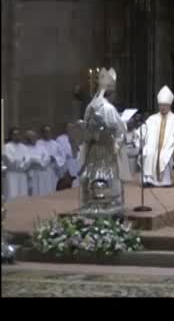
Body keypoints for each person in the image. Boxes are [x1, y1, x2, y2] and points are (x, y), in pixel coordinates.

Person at [78, 68, 128, 217]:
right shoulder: (109, 108)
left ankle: (90, 201)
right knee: (109, 175)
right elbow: (120, 131)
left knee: (92, 174)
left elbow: (86, 132)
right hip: (107, 150)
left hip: (93, 150)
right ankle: (111, 203)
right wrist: (117, 142)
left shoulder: (90, 107)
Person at [139, 86, 174, 187]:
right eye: (160, 105)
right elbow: (143, 129)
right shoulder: (152, 118)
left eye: (164, 105)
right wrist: (138, 133)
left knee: (164, 154)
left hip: (168, 146)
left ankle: (165, 181)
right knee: (149, 152)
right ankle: (148, 179)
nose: (162, 107)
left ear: (169, 105)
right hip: (153, 145)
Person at [37, 125, 66, 195]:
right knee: (41, 189)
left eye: (49, 132)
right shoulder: (38, 143)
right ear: (42, 133)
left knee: (51, 189)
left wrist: (55, 158)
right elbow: (35, 154)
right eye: (45, 132)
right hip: (41, 171)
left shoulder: (55, 144)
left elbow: (62, 156)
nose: (47, 134)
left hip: (52, 171)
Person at [2, 127, 29, 200]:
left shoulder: (24, 147)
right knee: (12, 195)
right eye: (15, 135)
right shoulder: (6, 147)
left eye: (18, 134)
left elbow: (27, 160)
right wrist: (21, 163)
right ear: (11, 136)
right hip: (11, 175)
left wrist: (21, 164)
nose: (17, 136)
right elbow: (10, 161)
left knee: (23, 195)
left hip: (22, 175)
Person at [24, 129, 51, 196]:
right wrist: (32, 163)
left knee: (44, 194)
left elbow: (47, 158)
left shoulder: (41, 147)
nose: (34, 138)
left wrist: (42, 164)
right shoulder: (24, 148)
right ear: (27, 138)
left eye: (35, 136)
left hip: (43, 174)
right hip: (32, 175)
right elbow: (26, 161)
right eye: (32, 137)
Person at [56, 122, 81, 189]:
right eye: (69, 127)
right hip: (67, 166)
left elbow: (79, 151)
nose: (71, 129)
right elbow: (61, 154)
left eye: (73, 128)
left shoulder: (78, 139)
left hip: (78, 167)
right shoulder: (60, 139)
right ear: (66, 128)